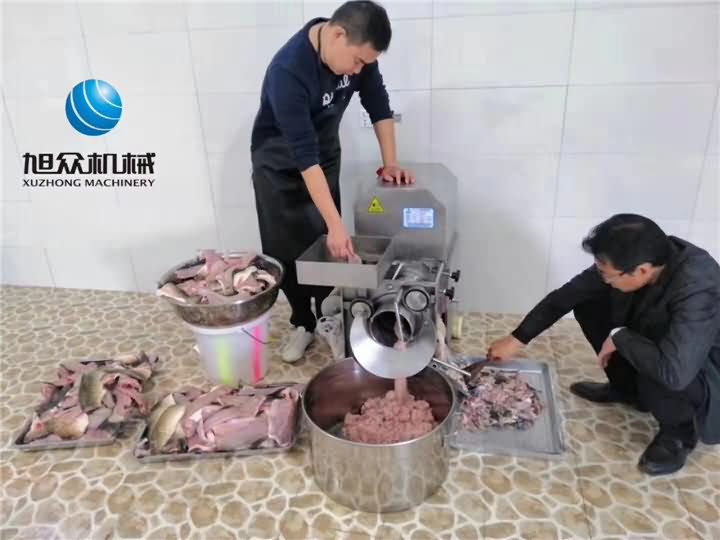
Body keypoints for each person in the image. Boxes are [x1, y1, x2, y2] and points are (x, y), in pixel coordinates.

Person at [471, 214, 720, 475]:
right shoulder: (631, 256)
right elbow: (567, 296)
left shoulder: (697, 285)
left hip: (694, 369)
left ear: (642, 270)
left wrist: (621, 337)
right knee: (588, 302)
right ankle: (626, 390)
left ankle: (678, 433)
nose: (603, 278)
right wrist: (517, 338)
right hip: (652, 340)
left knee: (659, 365)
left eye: (607, 274)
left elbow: (675, 372)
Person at [250, 1, 415, 363]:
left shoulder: (359, 52)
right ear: (338, 35)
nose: (358, 71)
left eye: (365, 64)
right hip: (279, 166)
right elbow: (302, 154)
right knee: (286, 249)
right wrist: (337, 225)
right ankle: (302, 323)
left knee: (326, 243)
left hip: (323, 156)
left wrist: (390, 164)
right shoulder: (288, 70)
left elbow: (378, 105)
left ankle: (329, 318)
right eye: (357, 62)